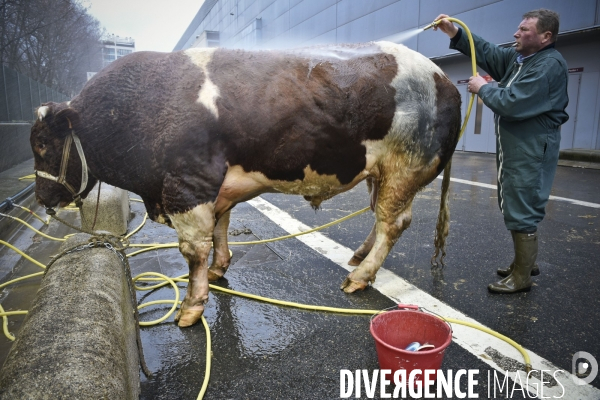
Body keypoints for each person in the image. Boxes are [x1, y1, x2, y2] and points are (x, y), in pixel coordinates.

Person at [433, 9, 569, 293]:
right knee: (514, 200)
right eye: (518, 28)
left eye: (524, 30)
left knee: (523, 203)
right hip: (518, 146)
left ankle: (522, 277)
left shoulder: (549, 65)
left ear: (545, 37)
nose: (516, 33)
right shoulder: (521, 60)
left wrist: (483, 88)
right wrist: (454, 32)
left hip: (531, 147)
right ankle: (524, 263)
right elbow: (488, 52)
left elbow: (514, 102)